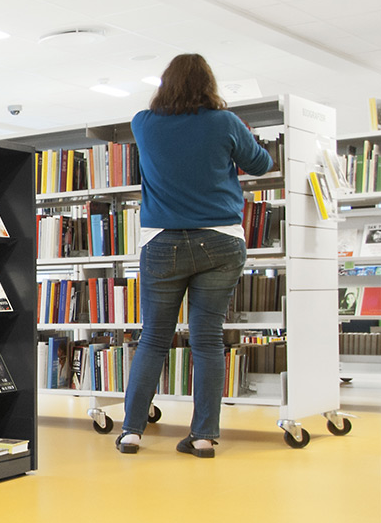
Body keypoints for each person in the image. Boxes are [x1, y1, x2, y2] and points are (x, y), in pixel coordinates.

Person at [116, 54, 273, 458]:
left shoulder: (143, 123)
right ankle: (203, 437)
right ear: (208, 84)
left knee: (154, 339)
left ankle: (131, 433)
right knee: (207, 341)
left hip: (162, 243)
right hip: (221, 241)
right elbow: (261, 164)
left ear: (164, 83)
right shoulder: (225, 122)